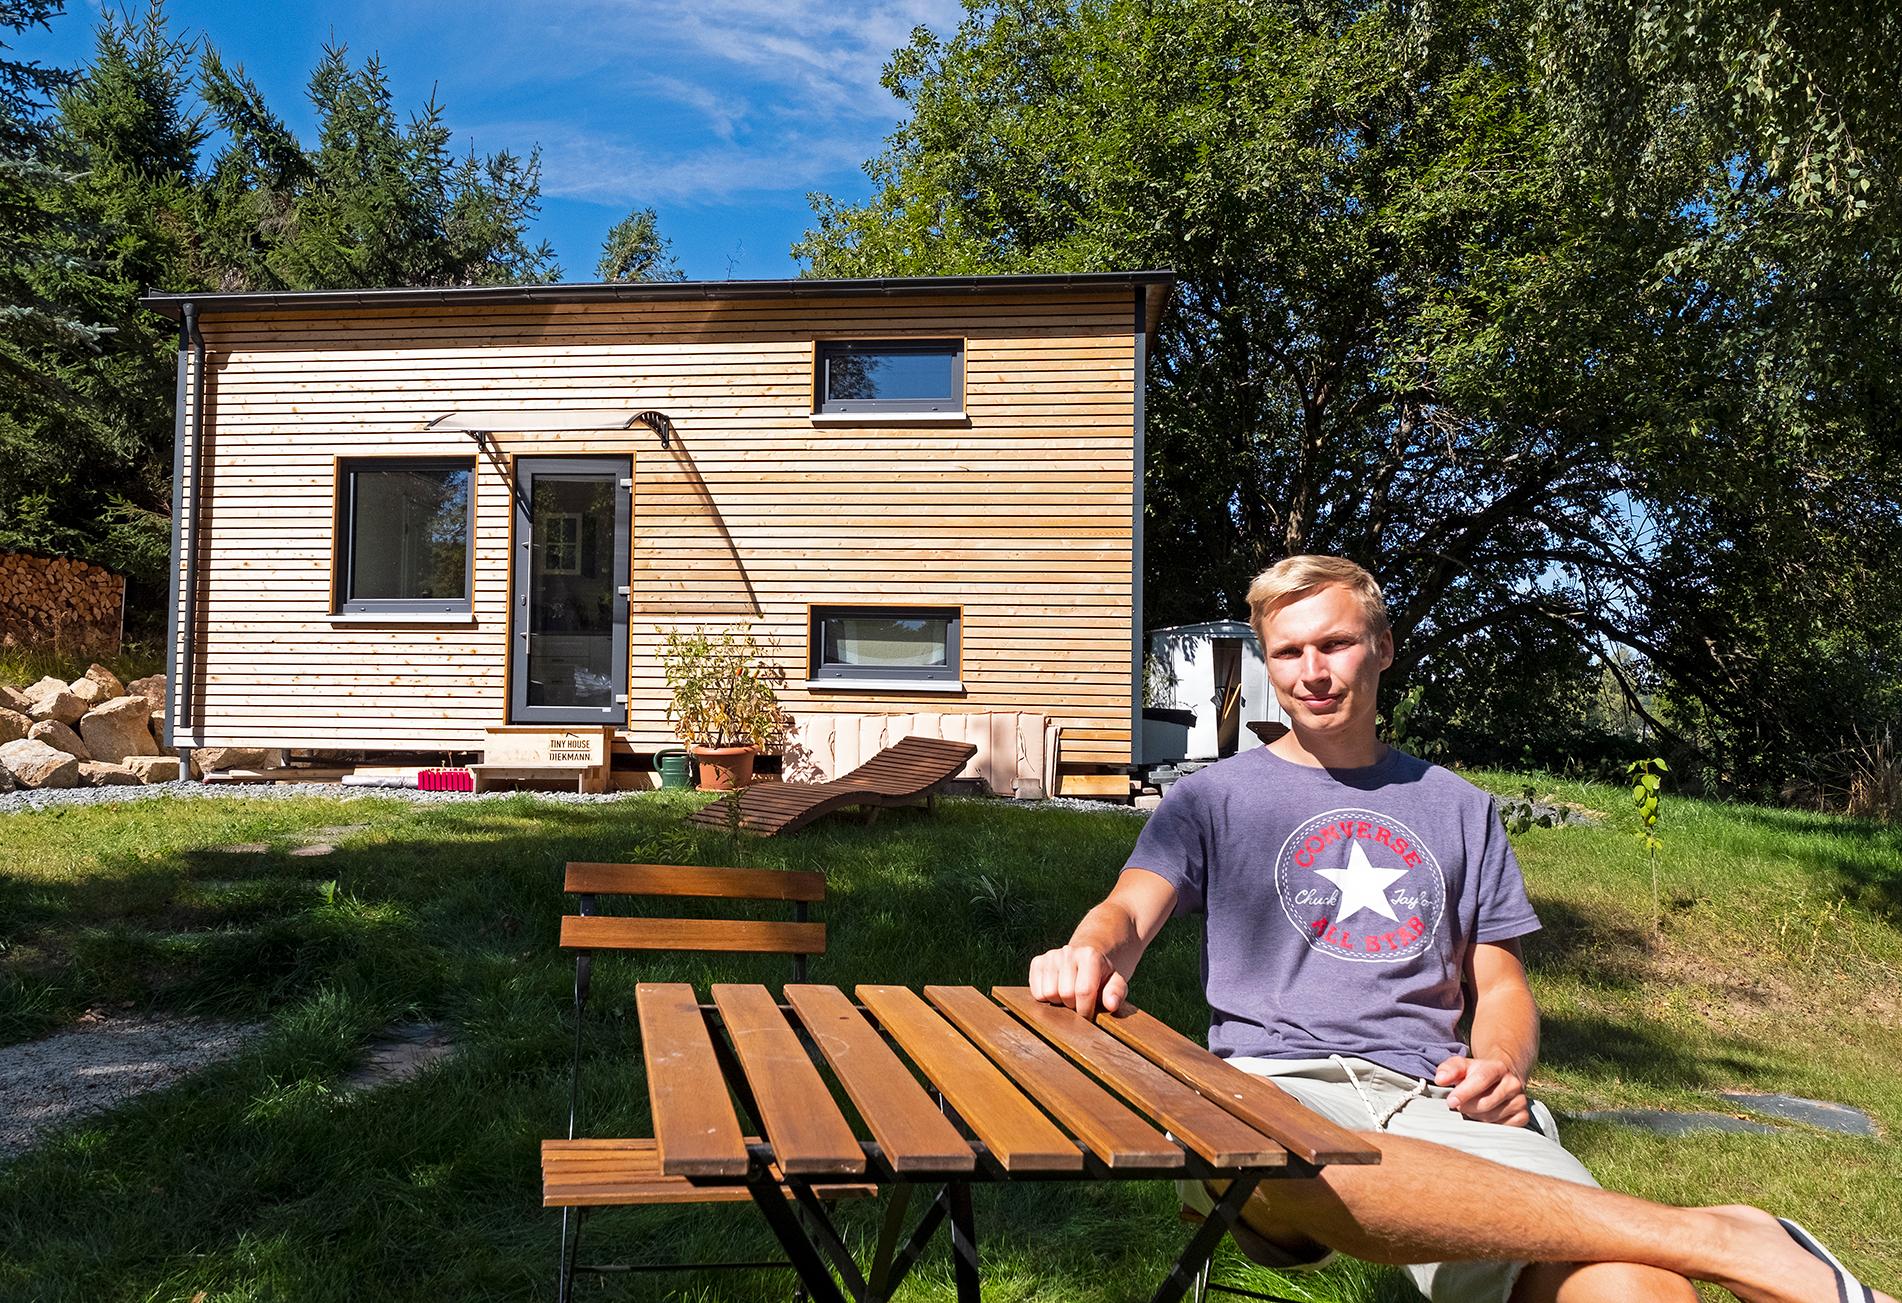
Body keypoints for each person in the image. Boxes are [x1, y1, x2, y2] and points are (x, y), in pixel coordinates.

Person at [1029, 555, 1888, 1303]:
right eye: (1289, 652)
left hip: (1432, 1096)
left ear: (1385, 648)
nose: (1312, 671)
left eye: (1335, 644)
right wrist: (1090, 949)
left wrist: (1502, 1064)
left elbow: (1502, 983)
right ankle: (1724, 1238)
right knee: (1285, 1160)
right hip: (1273, 1086)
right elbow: (1129, 908)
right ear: (1268, 662)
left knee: (1634, 1282)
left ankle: (1687, 1246)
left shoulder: (1459, 807)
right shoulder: (1210, 798)